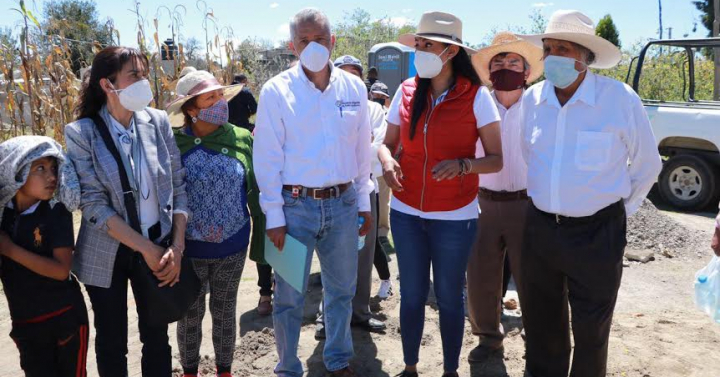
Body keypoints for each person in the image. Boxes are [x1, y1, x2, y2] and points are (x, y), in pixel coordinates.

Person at [516, 10, 662, 377]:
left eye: (561, 49)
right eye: (548, 49)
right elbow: (527, 155)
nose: (551, 57)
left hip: (599, 233)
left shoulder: (619, 99)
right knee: (542, 323)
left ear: (584, 58)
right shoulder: (532, 100)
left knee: (591, 328)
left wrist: (616, 214)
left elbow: (647, 165)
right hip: (541, 229)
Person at [377, 11, 503, 377]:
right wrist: (386, 162)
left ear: (450, 51)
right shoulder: (406, 90)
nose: (420, 52)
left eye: (427, 45)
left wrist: (464, 165)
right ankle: (411, 367)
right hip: (405, 212)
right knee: (412, 296)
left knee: (449, 297)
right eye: (418, 45)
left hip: (455, 217)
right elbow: (386, 145)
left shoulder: (477, 97)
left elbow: (496, 160)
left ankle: (450, 370)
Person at [253, 8, 373, 377]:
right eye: (305, 40)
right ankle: (288, 367)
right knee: (288, 296)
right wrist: (274, 215)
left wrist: (364, 200)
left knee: (341, 290)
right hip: (294, 208)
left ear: (332, 41)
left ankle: (336, 358)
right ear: (293, 45)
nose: (313, 46)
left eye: (320, 39)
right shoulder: (276, 91)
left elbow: (362, 150)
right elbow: (267, 159)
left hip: (343, 206)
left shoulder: (354, 88)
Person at [64, 46, 189, 377]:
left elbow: (177, 186)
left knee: (157, 338)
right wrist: (146, 249)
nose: (143, 81)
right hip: (107, 253)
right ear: (107, 84)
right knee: (112, 341)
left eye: (144, 74)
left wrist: (176, 246)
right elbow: (93, 205)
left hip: (158, 246)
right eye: (134, 75)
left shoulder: (157, 121)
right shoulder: (82, 134)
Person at [166, 70, 266, 377]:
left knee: (224, 313)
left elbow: (255, 188)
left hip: (232, 246)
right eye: (211, 97)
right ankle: (189, 372)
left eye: (221, 95)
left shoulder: (240, 138)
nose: (220, 102)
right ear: (191, 109)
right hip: (188, 250)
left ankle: (225, 371)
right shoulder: (172, 145)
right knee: (189, 315)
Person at [465, 32, 544, 363]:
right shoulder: (475, 105)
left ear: (526, 71)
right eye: (499, 63)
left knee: (535, 276)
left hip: (530, 205)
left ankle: (538, 335)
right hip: (483, 202)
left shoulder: (542, 104)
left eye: (514, 62)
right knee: (481, 276)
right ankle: (488, 338)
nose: (506, 67)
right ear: (488, 71)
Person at [0, 136, 87, 377]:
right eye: (40, 168)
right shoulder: (4, 215)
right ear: (16, 171)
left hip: (63, 318)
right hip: (25, 323)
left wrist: (9, 250)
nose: (51, 177)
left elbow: (61, 270)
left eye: (53, 168)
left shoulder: (55, 211)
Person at [314, 55, 387, 340]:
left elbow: (373, 149)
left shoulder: (373, 109)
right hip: (330, 195)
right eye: (344, 73)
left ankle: (360, 313)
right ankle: (326, 317)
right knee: (331, 260)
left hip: (363, 190)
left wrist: (347, 147)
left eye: (355, 74)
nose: (350, 79)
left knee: (363, 255)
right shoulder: (323, 106)